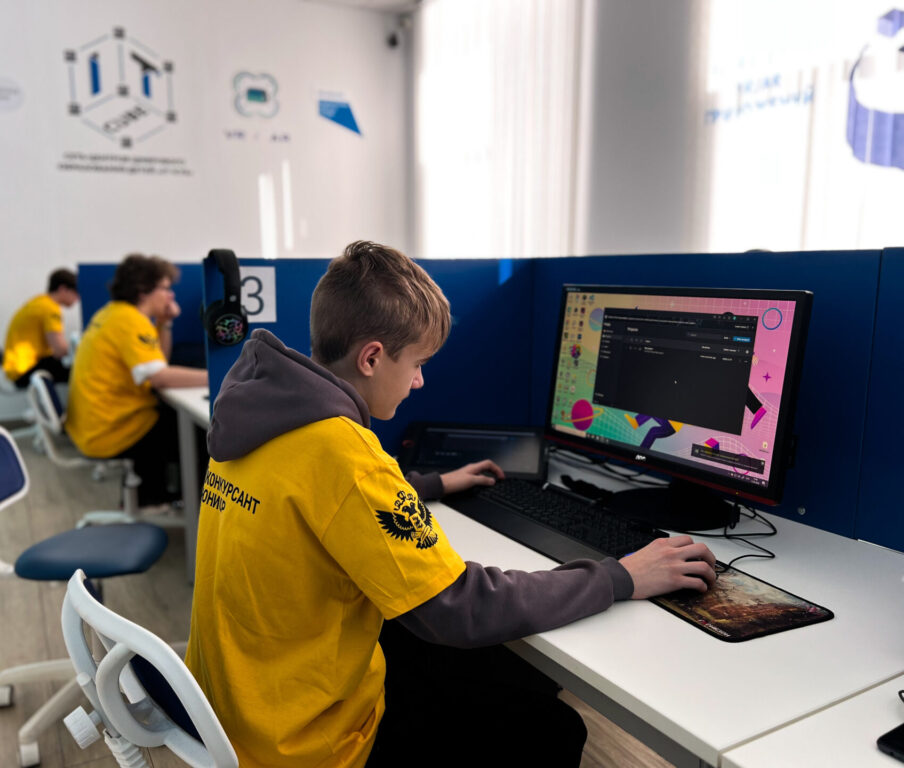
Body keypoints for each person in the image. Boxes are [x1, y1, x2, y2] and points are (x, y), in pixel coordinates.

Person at [184, 241, 717, 768]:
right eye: (417, 363)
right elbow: (462, 606)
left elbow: (318, 503)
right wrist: (620, 576)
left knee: (480, 661)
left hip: (237, 714)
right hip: (310, 747)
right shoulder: (347, 456)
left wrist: (428, 484)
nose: (420, 381)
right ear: (372, 357)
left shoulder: (260, 418)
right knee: (550, 726)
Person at [65, 254, 208, 506]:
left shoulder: (113, 314)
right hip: (113, 430)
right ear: (143, 290)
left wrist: (164, 322)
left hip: (96, 424)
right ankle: (180, 505)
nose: (171, 295)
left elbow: (158, 362)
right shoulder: (129, 321)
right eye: (165, 288)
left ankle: (153, 495)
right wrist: (217, 376)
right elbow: (159, 377)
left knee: (177, 419)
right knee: (203, 435)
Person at [1, 268, 79, 389]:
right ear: (63, 289)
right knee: (82, 371)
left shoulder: (39, 302)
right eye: (76, 293)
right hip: (26, 370)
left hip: (17, 368)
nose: (78, 298)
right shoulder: (51, 309)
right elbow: (60, 351)